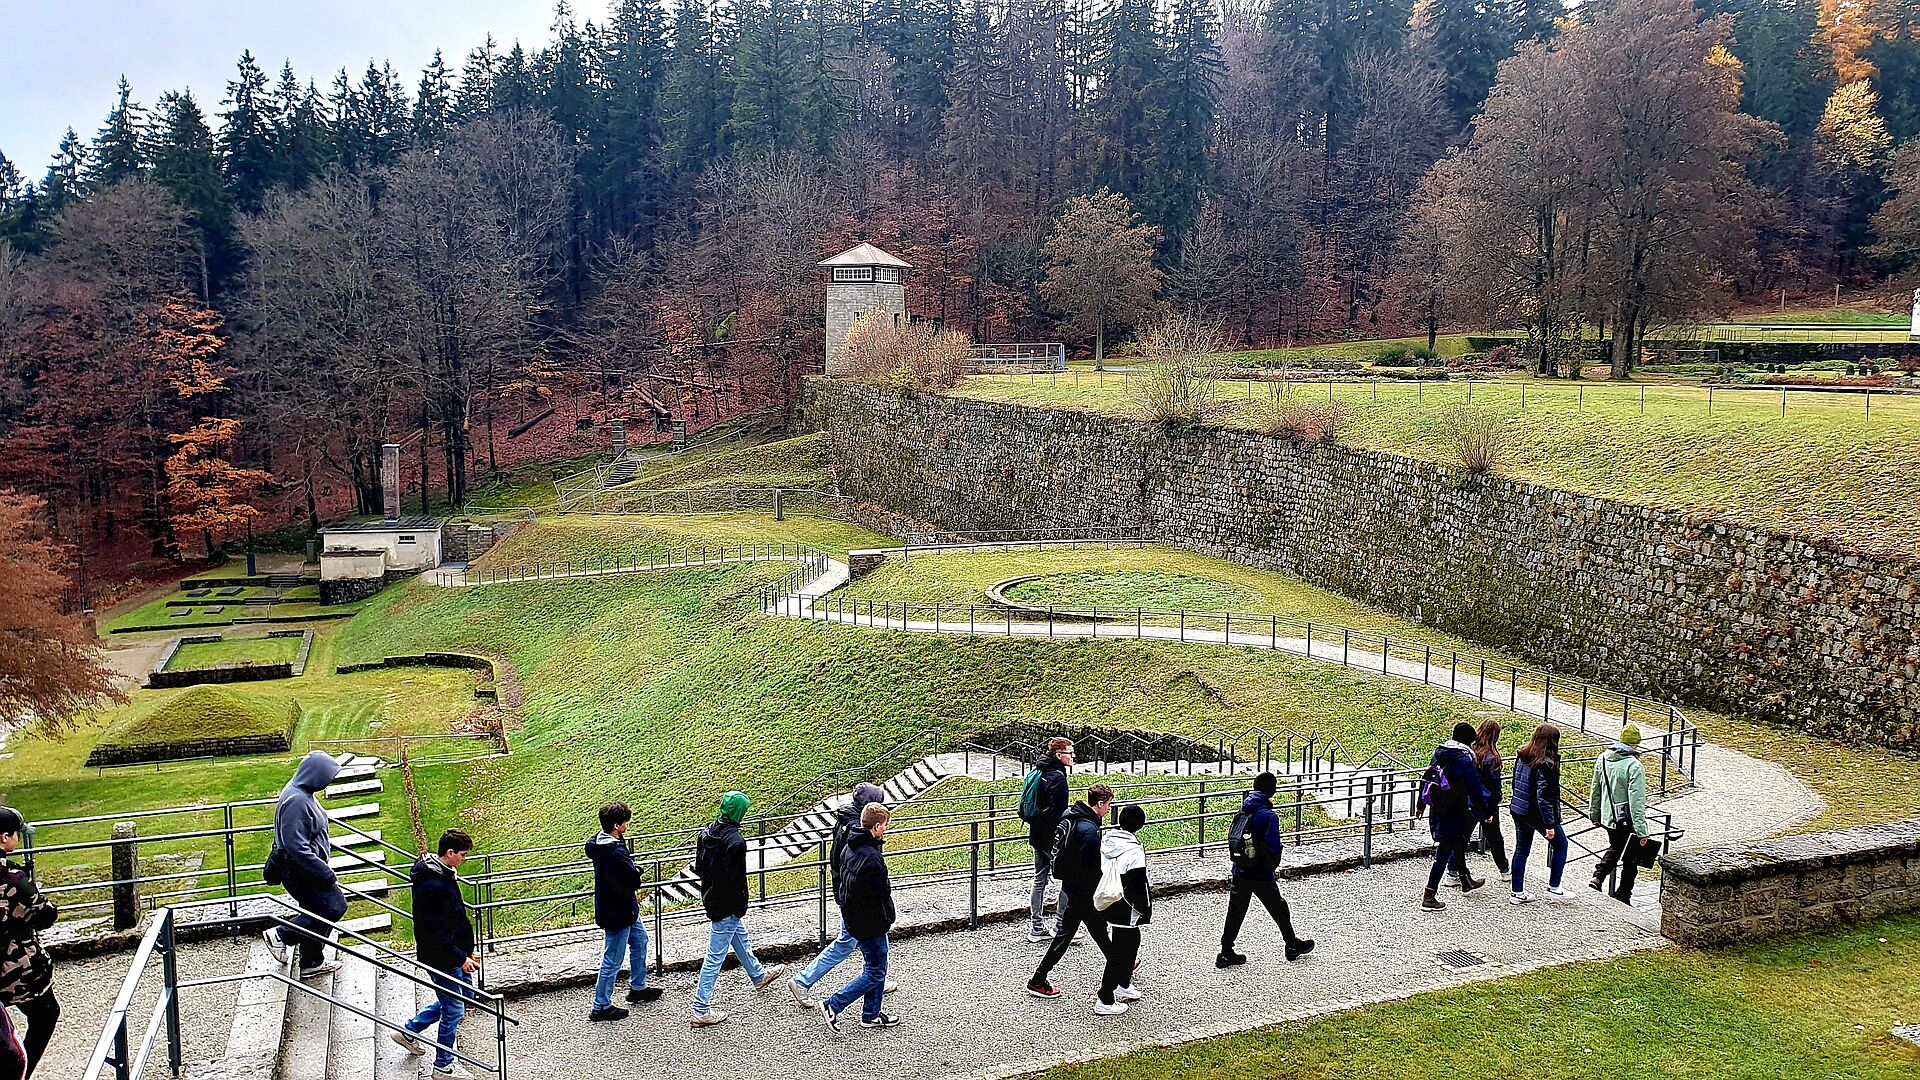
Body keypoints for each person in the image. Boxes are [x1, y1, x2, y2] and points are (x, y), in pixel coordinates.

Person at [790, 783, 897, 1006]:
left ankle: (876, 976)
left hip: (847, 890)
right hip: (854, 897)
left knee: (863, 942)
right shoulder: (858, 829)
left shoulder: (847, 821)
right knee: (846, 943)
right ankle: (803, 981)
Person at [391, 829, 482, 1078]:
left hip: (453, 953)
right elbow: (435, 932)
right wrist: (460, 958)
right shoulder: (433, 885)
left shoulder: (441, 873)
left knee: (462, 996)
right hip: (443, 957)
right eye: (463, 854)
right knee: (453, 1008)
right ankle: (442, 1065)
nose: (464, 859)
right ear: (450, 853)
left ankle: (409, 1030)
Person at [691, 792, 786, 1027]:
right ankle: (700, 1008)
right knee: (715, 956)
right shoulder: (736, 841)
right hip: (728, 904)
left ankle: (758, 975)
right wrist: (741, 905)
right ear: (740, 813)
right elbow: (736, 880)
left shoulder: (707, 832)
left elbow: (699, 868)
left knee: (740, 938)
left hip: (712, 898)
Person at [263, 751, 348, 977]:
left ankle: (311, 962)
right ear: (314, 775)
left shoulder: (301, 792)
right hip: (301, 870)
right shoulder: (297, 801)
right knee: (334, 907)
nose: (329, 781)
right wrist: (325, 872)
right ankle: (281, 935)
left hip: (304, 868)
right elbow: (295, 846)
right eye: (326, 777)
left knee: (315, 911)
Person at [1217, 772, 1314, 968]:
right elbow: (1273, 846)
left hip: (1240, 870)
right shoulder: (1269, 816)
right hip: (1260, 874)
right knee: (1279, 908)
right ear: (1272, 790)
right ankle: (1291, 944)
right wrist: (1271, 866)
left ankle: (1226, 952)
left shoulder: (1244, 810)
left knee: (1235, 912)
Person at [1026, 784, 1114, 999]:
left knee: (1096, 929)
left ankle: (1123, 962)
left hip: (1070, 884)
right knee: (1068, 934)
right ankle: (1038, 979)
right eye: (1109, 804)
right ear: (1100, 804)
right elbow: (1092, 866)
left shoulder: (1071, 816)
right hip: (1082, 890)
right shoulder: (1090, 830)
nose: (1110, 809)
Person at [818, 803, 899, 1032]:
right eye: (884, 825)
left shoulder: (851, 847)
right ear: (875, 826)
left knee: (876, 966)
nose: (885, 830)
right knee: (875, 970)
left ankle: (871, 1014)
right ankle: (834, 1004)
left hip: (857, 918)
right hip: (870, 923)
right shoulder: (872, 858)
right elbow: (877, 895)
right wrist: (887, 917)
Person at [585, 803, 660, 1022]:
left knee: (640, 941)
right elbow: (633, 879)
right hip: (619, 911)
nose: (628, 824)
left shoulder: (599, 843)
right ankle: (600, 1006)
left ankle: (638, 987)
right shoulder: (616, 850)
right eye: (625, 821)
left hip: (622, 907)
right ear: (617, 826)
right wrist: (636, 870)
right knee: (612, 959)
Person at [0, 808, 58, 1079]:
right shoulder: (13, 880)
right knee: (46, 1013)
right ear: (4, 838)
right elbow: (44, 915)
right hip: (13, 971)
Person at [1420, 723, 1495, 911]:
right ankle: (1429, 895)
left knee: (1458, 842)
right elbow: (1475, 791)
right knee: (1444, 851)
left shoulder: (1441, 753)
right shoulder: (1464, 761)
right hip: (1454, 811)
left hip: (1438, 808)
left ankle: (1465, 879)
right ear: (1468, 741)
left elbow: (1428, 777)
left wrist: (1420, 805)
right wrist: (1486, 813)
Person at [1093, 804, 1151, 1016]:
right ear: (1140, 825)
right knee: (1121, 950)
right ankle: (1105, 996)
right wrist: (1144, 909)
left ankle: (1123, 983)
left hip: (1110, 899)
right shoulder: (1134, 850)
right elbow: (1137, 883)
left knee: (1129, 941)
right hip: (1127, 904)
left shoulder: (1107, 841)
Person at [1588, 724, 1652, 904]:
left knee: (1616, 847)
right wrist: (1642, 830)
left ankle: (1598, 877)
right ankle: (1623, 894)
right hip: (1627, 819)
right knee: (1631, 858)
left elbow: (1596, 789)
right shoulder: (1634, 766)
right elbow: (1637, 801)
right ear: (1635, 744)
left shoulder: (1603, 759)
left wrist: (1595, 814)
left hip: (1609, 817)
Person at [1508, 724, 1570, 903]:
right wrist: (1549, 825)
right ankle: (1554, 886)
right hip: (1536, 813)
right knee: (1561, 844)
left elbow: (1515, 782)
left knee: (1521, 849)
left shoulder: (1522, 755)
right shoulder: (1546, 763)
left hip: (1519, 808)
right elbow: (1544, 796)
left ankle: (1517, 892)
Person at [1023, 737, 1074, 943]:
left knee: (1039, 880)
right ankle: (1061, 926)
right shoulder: (1058, 777)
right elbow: (1058, 812)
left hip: (1036, 834)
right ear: (1058, 755)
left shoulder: (1040, 770)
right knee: (1069, 880)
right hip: (1052, 838)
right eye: (1070, 753)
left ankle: (1036, 928)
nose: (1073, 756)